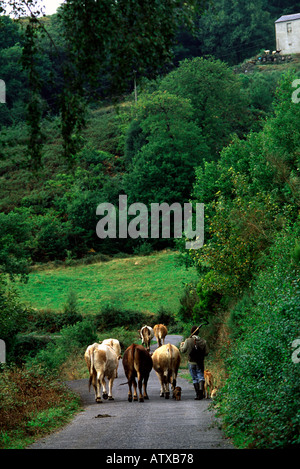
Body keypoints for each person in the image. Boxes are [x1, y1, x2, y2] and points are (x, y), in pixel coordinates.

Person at [180, 325, 209, 400]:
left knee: (195, 378)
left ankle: (197, 394)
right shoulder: (203, 341)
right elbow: (206, 353)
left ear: (191, 332)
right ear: (198, 332)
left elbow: (183, 351)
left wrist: (181, 345)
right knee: (201, 377)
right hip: (200, 363)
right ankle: (201, 393)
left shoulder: (188, 340)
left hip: (191, 363)